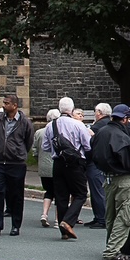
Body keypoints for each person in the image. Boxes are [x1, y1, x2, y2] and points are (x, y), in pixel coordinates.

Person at [93, 104, 130, 260]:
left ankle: (112, 245)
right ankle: (112, 250)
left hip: (107, 177)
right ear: (125, 119)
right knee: (125, 215)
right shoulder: (121, 137)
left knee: (111, 215)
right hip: (122, 178)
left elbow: (92, 153)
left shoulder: (101, 132)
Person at [43, 97, 91, 240]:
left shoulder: (50, 126)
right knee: (81, 193)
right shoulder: (78, 125)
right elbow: (88, 146)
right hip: (74, 163)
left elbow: (45, 147)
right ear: (71, 109)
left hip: (57, 163)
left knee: (61, 196)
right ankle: (68, 222)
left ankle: (64, 232)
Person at [0, 95, 33, 238]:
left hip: (16, 163)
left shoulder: (25, 122)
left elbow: (28, 141)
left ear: (15, 105)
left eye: (7, 103)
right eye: (4, 103)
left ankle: (15, 225)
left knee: (16, 195)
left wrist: (19, 152)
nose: (4, 106)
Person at [85, 102, 111, 228]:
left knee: (97, 191)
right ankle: (98, 217)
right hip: (106, 161)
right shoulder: (109, 123)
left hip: (95, 162)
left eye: (96, 111)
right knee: (100, 190)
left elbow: (89, 144)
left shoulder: (97, 127)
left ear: (99, 113)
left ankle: (101, 218)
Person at [37, 107, 60, 227]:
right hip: (56, 167)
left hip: (43, 168)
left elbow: (35, 150)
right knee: (60, 193)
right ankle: (57, 219)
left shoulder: (39, 132)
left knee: (48, 191)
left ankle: (44, 214)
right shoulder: (60, 131)